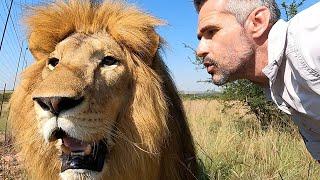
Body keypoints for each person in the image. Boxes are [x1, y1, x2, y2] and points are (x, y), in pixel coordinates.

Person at [194, 0, 320, 161]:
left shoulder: (310, 37)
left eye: (211, 31)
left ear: (258, 22)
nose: (199, 50)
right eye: (200, 38)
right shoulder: (275, 83)